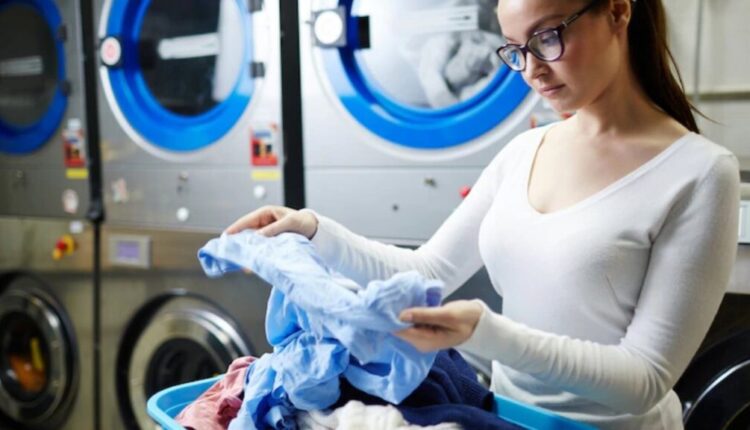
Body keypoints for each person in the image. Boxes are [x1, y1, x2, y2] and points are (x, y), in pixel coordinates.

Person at [225, 0, 740, 428]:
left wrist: (483, 332)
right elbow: (428, 270)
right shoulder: (526, 150)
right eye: (515, 49)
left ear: (617, 12)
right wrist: (314, 229)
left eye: (547, 37)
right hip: (507, 418)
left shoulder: (698, 173)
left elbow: (645, 378)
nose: (532, 69)